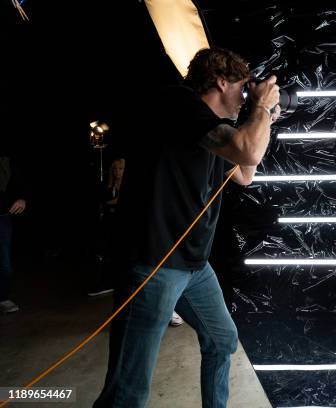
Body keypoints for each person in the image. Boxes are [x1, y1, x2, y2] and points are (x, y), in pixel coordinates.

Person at [94, 47, 280, 408]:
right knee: (128, 388)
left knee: (222, 340)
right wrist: (258, 109)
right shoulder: (179, 106)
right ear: (221, 81)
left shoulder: (215, 131)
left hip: (194, 265)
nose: (245, 97)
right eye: (243, 88)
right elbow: (248, 151)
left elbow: (245, 172)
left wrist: (266, 117)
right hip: (154, 262)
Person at [88, 158, 126, 297]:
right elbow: (102, 202)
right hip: (108, 223)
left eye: (120, 169)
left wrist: (110, 203)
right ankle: (105, 282)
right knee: (105, 252)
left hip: (122, 224)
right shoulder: (110, 185)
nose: (117, 172)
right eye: (115, 169)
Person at [0, 155, 27, 314]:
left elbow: (21, 180)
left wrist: (22, 198)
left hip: (2, 215)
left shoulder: (7, 160)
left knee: (4, 262)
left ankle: (3, 297)